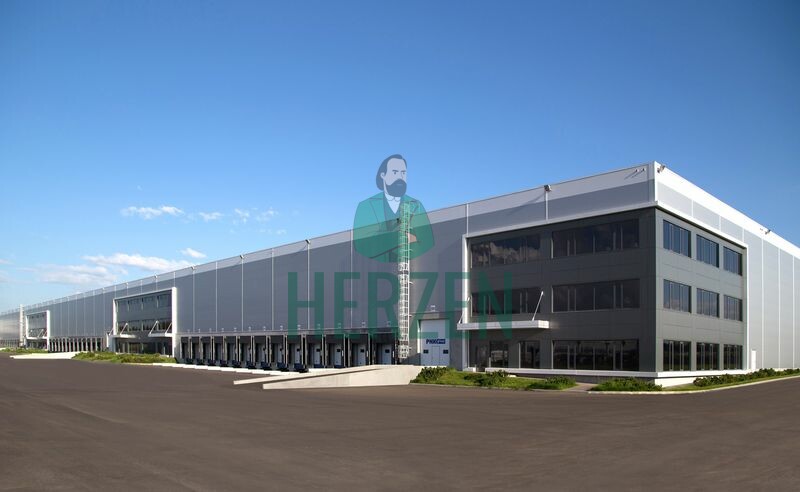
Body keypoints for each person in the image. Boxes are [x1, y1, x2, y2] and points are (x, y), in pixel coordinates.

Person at [353, 154, 434, 263]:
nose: (400, 177)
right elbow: (362, 245)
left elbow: (427, 242)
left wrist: (383, 237)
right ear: (383, 175)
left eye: (403, 173)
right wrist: (402, 237)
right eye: (395, 172)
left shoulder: (416, 205)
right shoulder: (365, 206)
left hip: (410, 268)